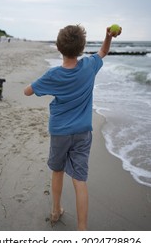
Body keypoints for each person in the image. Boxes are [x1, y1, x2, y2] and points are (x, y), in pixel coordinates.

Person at [24, 24, 122, 230]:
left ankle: (55, 210)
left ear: (59, 48)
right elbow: (103, 51)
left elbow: (28, 91)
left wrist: (44, 84)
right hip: (82, 132)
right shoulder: (89, 66)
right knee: (79, 178)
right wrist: (108, 36)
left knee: (57, 171)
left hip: (59, 132)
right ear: (82, 48)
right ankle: (82, 229)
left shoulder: (53, 75)